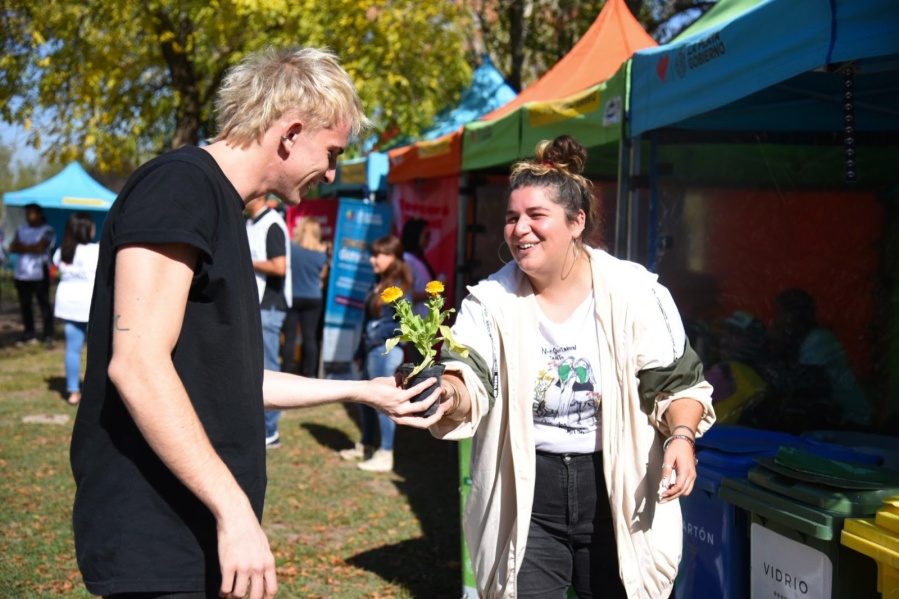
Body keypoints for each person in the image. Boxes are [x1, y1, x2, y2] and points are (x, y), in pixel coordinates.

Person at [69, 46, 442, 599]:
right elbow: (138, 365)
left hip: (196, 534)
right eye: (332, 152)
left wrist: (366, 391)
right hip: (155, 534)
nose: (332, 172)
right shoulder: (181, 187)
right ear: (290, 133)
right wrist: (233, 509)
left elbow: (235, 379)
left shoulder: (223, 205)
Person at [407, 135, 716, 599]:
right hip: (529, 499)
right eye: (512, 218)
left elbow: (677, 384)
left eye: (536, 216)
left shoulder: (634, 292)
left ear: (577, 222)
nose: (519, 229)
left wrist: (681, 437)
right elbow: (469, 373)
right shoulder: (490, 301)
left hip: (618, 494)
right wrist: (446, 392)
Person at [339, 235, 412, 473]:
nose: (372, 259)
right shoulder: (376, 283)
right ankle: (366, 445)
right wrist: (361, 348)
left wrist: (376, 335)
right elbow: (367, 319)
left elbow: (405, 326)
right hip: (370, 351)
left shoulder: (400, 287)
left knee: (384, 403)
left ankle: (385, 453)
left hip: (386, 352)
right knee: (366, 401)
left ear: (393, 256)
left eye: (378, 254)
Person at [245, 195, 292, 449]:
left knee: (268, 366)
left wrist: (244, 261)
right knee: (255, 364)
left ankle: (270, 429)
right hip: (257, 304)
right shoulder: (251, 223)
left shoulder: (272, 223)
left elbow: (280, 266)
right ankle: (262, 425)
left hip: (270, 306)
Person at [52, 212, 99, 406]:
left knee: (73, 349)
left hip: (68, 305)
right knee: (97, 350)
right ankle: (96, 390)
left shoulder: (62, 251)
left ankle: (73, 392)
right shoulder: (96, 250)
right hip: (90, 305)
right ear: (87, 229)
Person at [280, 217, 329, 377]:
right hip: (313, 298)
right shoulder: (321, 253)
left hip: (292, 297)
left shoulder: (291, 249)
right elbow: (322, 276)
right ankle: (310, 374)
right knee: (310, 337)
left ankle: (286, 372)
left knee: (290, 337)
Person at [9, 203, 56, 346]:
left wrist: (24, 246)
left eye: (31, 213)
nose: (28, 216)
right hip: (22, 274)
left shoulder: (47, 230)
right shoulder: (21, 229)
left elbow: (39, 248)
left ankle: (48, 334)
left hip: (39, 273)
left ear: (39, 214)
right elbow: (13, 247)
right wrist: (30, 247)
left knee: (44, 304)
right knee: (25, 305)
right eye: (27, 213)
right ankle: (28, 333)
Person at [400, 217, 435, 319]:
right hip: (414, 325)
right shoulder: (407, 261)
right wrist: (432, 293)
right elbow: (405, 295)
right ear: (415, 236)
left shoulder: (418, 260)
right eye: (426, 235)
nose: (429, 239)